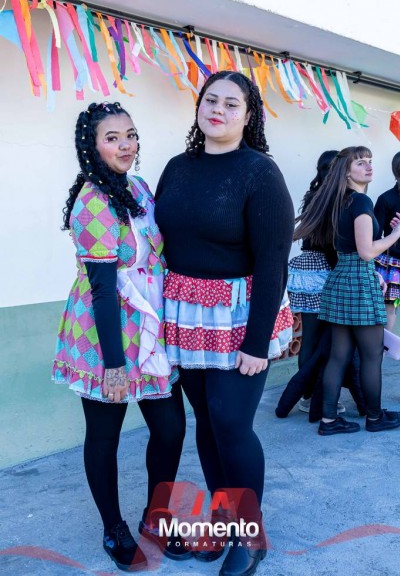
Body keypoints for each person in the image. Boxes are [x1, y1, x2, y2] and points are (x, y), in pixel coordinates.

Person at [155, 71, 294, 576]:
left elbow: (273, 261)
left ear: (248, 115)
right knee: (208, 424)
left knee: (232, 424)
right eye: (210, 100)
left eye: (231, 104)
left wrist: (256, 343)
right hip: (187, 314)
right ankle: (224, 518)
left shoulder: (260, 172)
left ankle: (250, 535)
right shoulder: (178, 167)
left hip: (240, 317)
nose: (218, 110)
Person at [52, 102, 190, 571]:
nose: (125, 145)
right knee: (104, 434)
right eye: (112, 138)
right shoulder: (92, 200)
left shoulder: (139, 188)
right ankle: (113, 528)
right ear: (91, 147)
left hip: (148, 323)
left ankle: (157, 516)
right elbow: (103, 291)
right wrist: (114, 365)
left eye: (130, 134)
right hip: (105, 330)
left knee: (171, 427)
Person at [294, 145, 400, 436]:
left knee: (338, 356)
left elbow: (352, 246)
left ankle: (328, 420)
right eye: (360, 163)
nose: (368, 166)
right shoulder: (361, 201)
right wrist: (395, 234)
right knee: (371, 355)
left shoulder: (339, 200)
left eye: (369, 161)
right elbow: (367, 252)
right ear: (346, 171)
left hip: (341, 278)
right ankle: (375, 417)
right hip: (359, 282)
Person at [286, 150, 346, 414]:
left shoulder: (314, 195)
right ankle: (316, 397)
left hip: (307, 269)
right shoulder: (334, 199)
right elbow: (331, 243)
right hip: (324, 269)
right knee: (326, 339)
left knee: (311, 337)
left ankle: (308, 395)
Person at [375, 152, 400, 331]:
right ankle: (383, 346)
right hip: (392, 263)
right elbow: (375, 237)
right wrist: (394, 232)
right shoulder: (386, 199)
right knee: (389, 308)